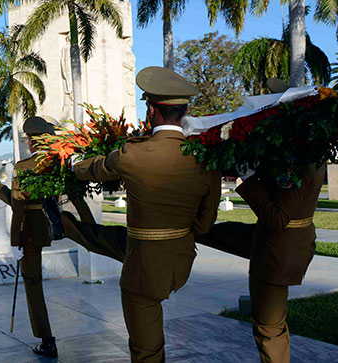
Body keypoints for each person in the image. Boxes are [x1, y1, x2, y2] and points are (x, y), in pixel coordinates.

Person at [61, 66, 222, 362]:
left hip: (144, 263)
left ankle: (64, 225)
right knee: (107, 240)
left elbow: (95, 168)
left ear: (151, 111)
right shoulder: (205, 158)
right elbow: (205, 221)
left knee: (146, 347)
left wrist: (72, 165)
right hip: (181, 258)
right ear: (183, 112)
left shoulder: (132, 153)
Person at [198, 164, 325, 363]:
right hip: (279, 241)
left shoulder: (293, 160)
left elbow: (277, 218)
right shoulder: (309, 153)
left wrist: (246, 175)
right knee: (217, 233)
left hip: (279, 249)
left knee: (269, 325)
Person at [0, 116, 60, 358]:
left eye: (28, 138)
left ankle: (47, 340)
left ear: (31, 140)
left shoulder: (25, 166)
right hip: (53, 222)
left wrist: (15, 239)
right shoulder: (56, 163)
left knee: (33, 283)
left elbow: (19, 206)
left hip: (30, 228)